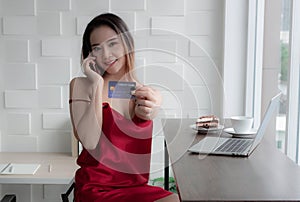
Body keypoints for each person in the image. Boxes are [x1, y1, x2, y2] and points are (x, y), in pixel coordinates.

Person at [69, 13, 180, 202]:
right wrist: (96, 84)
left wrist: (155, 105)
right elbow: (89, 141)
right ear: (90, 54)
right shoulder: (81, 85)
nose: (106, 54)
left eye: (112, 44)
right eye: (97, 48)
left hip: (135, 189)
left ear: (127, 45)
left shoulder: (143, 93)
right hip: (95, 190)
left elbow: (150, 110)